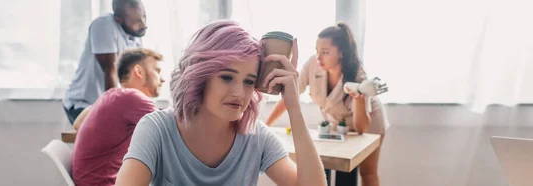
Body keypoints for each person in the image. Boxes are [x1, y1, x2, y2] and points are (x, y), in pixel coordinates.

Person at [115, 20, 327, 186]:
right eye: (226, 77)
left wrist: (294, 108)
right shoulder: (156, 129)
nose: (239, 93)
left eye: (249, 81)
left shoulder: (257, 137)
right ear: (201, 76)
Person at [264, 23, 390, 186]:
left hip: (369, 121)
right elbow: (289, 94)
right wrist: (267, 125)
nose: (319, 57)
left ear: (341, 53)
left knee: (368, 173)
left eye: (325, 52)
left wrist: (358, 99)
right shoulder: (312, 65)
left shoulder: (358, 76)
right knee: (331, 165)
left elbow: (361, 129)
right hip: (337, 123)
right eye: (317, 51)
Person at [71, 48, 164, 186]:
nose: (162, 79)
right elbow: (171, 129)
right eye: (157, 71)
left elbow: (78, 123)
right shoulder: (131, 97)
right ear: (138, 71)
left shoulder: (110, 96)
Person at [62, 0, 148, 124]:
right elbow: (111, 69)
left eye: (144, 17)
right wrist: (114, 112)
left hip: (102, 104)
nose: (144, 25)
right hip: (83, 105)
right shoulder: (103, 26)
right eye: (136, 21)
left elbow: (132, 78)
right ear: (119, 19)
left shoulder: (136, 36)